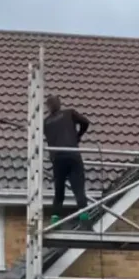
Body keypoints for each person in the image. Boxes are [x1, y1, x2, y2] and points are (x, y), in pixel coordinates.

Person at [43, 94, 91, 225]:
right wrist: (78, 136)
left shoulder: (45, 123)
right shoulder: (69, 113)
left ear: (48, 107)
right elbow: (86, 122)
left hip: (57, 159)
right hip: (72, 154)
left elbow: (34, 131)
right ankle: (85, 220)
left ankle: (54, 220)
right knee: (78, 189)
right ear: (59, 104)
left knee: (59, 191)